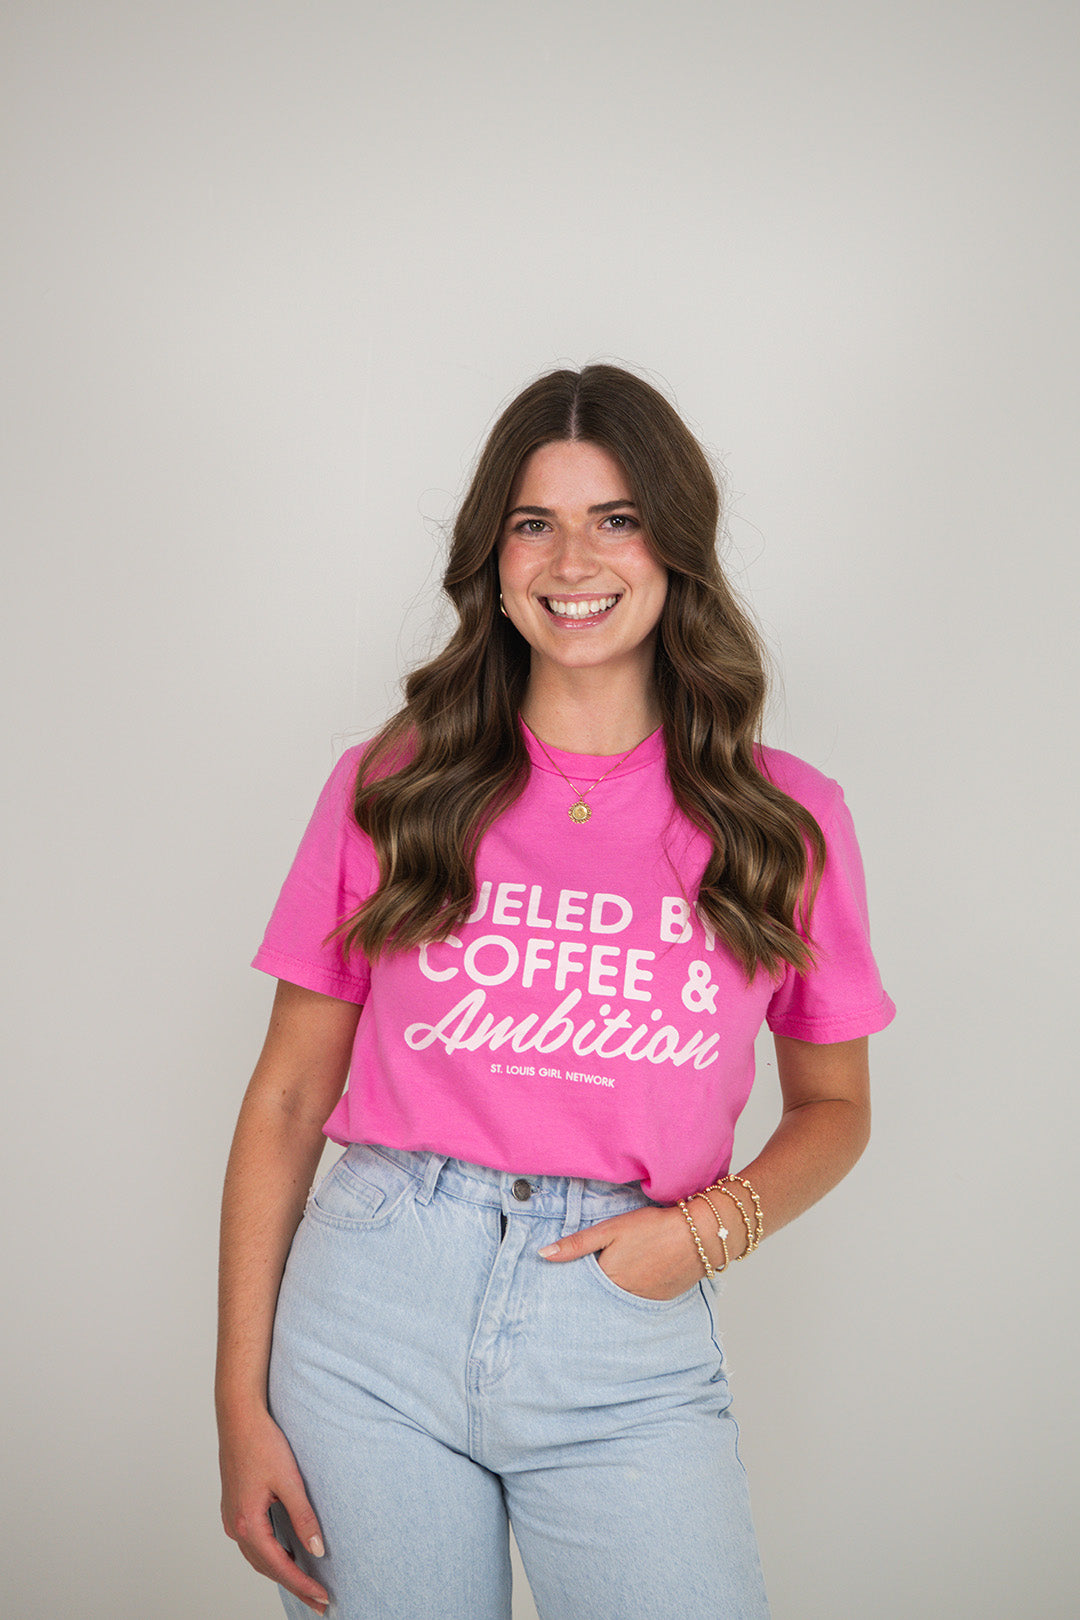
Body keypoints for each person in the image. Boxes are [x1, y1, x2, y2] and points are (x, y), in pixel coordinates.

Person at [216, 363, 895, 1620]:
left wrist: (703, 1234)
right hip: (371, 1320)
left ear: (675, 546)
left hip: (623, 1323)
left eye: (616, 518)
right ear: (494, 556)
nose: (573, 560)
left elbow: (837, 1107)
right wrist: (237, 1405)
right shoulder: (393, 785)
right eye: (534, 522)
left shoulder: (783, 819)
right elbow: (290, 1096)